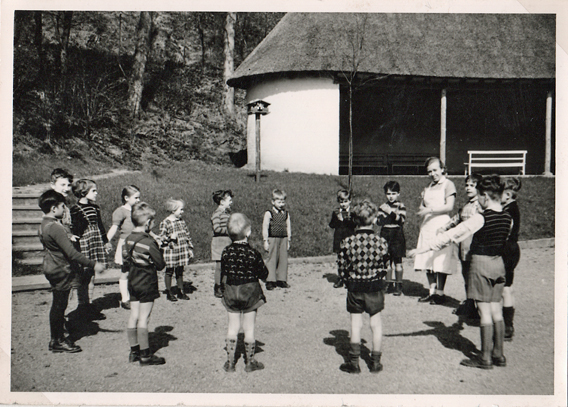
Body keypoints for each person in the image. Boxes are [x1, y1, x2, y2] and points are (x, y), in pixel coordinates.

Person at [409, 175, 512, 369]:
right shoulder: (508, 217)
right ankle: (499, 354)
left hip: (481, 264)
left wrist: (421, 249)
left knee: (484, 312)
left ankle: (485, 358)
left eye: (480, 197)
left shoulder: (480, 218)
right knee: (496, 310)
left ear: (485, 197)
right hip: (499, 264)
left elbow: (450, 236)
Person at [38, 190, 105, 353]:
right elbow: (72, 254)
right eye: (62, 206)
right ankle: (57, 340)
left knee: (58, 304)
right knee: (59, 305)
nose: (64, 209)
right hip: (60, 269)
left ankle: (58, 336)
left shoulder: (44, 224)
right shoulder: (55, 227)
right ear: (54, 208)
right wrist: (93, 263)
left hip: (51, 266)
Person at [337, 199, 389, 374]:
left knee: (355, 324)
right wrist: (381, 281)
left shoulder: (347, 242)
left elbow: (342, 267)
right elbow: (384, 267)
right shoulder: (381, 242)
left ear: (355, 220)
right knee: (376, 324)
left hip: (355, 287)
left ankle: (354, 362)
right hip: (374, 287)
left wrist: (347, 280)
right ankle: (375, 362)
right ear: (374, 219)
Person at [220, 213, 268, 373]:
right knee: (249, 328)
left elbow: (224, 271)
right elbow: (263, 273)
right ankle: (250, 362)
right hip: (250, 292)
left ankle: (230, 362)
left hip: (232, 291)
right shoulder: (253, 253)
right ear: (248, 233)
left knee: (232, 327)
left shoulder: (226, 252)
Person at [123, 202, 167, 366]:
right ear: (148, 222)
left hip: (133, 280)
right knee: (144, 318)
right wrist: (160, 248)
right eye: (153, 221)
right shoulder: (149, 243)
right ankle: (145, 355)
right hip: (147, 281)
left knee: (133, 315)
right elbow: (160, 264)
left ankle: (133, 351)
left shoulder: (128, 239)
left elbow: (125, 260)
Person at [414, 157, 457, 305]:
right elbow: (421, 207)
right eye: (429, 171)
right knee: (428, 258)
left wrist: (430, 210)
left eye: (435, 170)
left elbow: (449, 206)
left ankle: (440, 292)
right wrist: (423, 209)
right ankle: (431, 292)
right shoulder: (428, 187)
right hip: (427, 225)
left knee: (440, 258)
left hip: (441, 223)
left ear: (442, 169)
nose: (433, 174)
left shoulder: (448, 184)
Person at [438, 173, 483, 317]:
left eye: (472, 185)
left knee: (474, 276)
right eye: (467, 185)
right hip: (464, 247)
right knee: (466, 275)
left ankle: (476, 306)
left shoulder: (480, 205)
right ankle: (470, 303)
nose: (468, 188)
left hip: (474, 247)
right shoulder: (467, 205)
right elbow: (457, 218)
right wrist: (444, 228)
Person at [70, 179, 112, 318]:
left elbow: (100, 226)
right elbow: (75, 232)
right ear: (83, 192)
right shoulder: (75, 210)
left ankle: (89, 303)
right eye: (93, 191)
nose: (96, 193)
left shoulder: (95, 208)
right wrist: (77, 251)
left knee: (92, 274)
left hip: (96, 242)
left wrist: (105, 241)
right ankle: (82, 304)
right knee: (84, 274)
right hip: (84, 245)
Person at [107, 185, 141, 310]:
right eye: (136, 198)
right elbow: (114, 228)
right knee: (125, 271)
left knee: (137, 270)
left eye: (139, 198)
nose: (138, 200)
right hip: (126, 245)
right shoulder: (120, 211)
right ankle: (125, 298)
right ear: (126, 198)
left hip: (137, 243)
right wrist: (106, 241)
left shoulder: (137, 211)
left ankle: (134, 294)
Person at [159, 198, 194, 302]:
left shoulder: (181, 222)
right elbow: (161, 238)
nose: (182, 212)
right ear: (173, 210)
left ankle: (180, 290)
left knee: (180, 270)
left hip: (181, 250)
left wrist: (190, 248)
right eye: (181, 210)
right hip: (171, 251)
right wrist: (170, 237)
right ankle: (169, 292)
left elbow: (187, 235)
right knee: (169, 271)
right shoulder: (165, 223)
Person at [377, 181, 407, 296]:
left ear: (398, 194)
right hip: (385, 234)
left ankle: (399, 284)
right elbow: (379, 221)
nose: (391, 196)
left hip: (397, 235)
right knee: (387, 261)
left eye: (393, 193)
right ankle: (389, 283)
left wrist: (390, 213)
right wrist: (385, 217)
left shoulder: (400, 206)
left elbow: (401, 220)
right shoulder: (382, 206)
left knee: (397, 261)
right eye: (388, 193)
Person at [501, 177, 522, 341]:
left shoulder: (509, 211)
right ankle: (507, 322)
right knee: (507, 285)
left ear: (507, 194)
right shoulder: (512, 207)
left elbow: (505, 231)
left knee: (505, 287)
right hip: (513, 249)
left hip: (507, 249)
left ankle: (507, 325)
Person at [262, 189, 292, 290]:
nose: (281, 204)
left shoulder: (286, 214)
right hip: (272, 238)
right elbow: (265, 227)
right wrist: (265, 240)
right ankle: (270, 280)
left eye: (283, 201)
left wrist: (288, 240)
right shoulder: (269, 213)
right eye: (279, 202)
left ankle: (281, 279)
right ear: (273, 202)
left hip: (283, 238)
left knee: (283, 259)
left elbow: (288, 226)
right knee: (272, 258)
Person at [329, 189, 356, 288]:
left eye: (345, 201)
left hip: (350, 239)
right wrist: (338, 220)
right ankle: (341, 278)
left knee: (350, 259)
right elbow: (331, 225)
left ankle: (349, 278)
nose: (343, 204)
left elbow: (354, 224)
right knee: (340, 259)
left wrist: (344, 220)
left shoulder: (352, 213)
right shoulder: (336, 212)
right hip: (339, 238)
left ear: (349, 201)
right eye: (341, 202)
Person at [211, 190, 234, 298]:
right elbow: (216, 229)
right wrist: (229, 230)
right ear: (221, 201)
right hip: (219, 242)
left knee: (226, 266)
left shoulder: (227, 213)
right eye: (229, 200)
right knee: (220, 266)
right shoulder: (217, 213)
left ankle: (224, 285)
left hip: (228, 241)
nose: (231, 202)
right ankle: (217, 286)